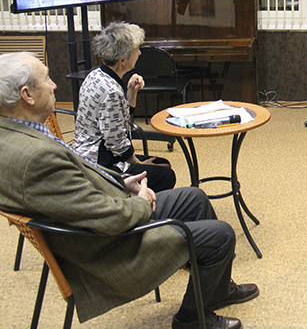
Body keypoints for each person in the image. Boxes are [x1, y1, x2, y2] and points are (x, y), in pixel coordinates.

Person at [0, 52, 258, 329]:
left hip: (103, 219)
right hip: (110, 248)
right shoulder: (37, 158)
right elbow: (109, 218)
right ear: (27, 95)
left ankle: (217, 290)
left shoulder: (16, 135)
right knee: (221, 235)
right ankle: (191, 319)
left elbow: (72, 194)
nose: (54, 85)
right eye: (47, 79)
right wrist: (142, 202)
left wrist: (120, 184)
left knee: (194, 198)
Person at [74, 22, 176, 192]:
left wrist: (131, 91)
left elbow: (121, 119)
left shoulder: (95, 75)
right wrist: (138, 163)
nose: (139, 53)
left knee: (162, 164)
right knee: (166, 175)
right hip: (99, 164)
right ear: (122, 60)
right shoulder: (111, 91)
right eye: (136, 50)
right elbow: (116, 142)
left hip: (88, 154)